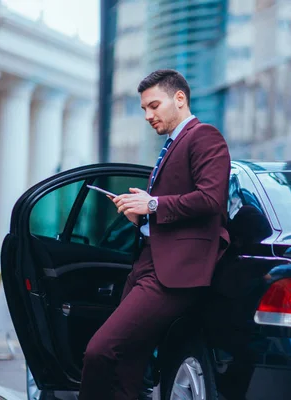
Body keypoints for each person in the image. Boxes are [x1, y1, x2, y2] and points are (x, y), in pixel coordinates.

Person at [78, 69, 231, 399]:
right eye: (144, 108)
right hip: (148, 265)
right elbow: (169, 211)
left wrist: (153, 204)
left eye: (154, 105)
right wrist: (141, 216)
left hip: (174, 274)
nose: (148, 115)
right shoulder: (173, 144)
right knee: (128, 364)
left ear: (180, 99)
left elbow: (211, 198)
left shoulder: (205, 136)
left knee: (100, 351)